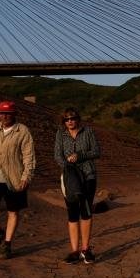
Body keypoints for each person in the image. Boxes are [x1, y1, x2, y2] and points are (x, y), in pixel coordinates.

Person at [0, 100, 36, 260]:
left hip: (14, 178)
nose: (5, 116)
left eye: (8, 113)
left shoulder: (22, 131)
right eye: (2, 113)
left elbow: (29, 156)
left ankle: (7, 245)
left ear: (14, 114)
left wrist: (26, 176)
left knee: (13, 212)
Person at [54, 107, 101, 264]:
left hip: (88, 175)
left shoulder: (88, 131)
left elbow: (96, 151)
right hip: (69, 178)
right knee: (72, 213)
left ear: (78, 119)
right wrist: (67, 165)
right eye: (66, 119)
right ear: (63, 121)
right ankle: (74, 251)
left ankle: (85, 250)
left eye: (72, 118)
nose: (70, 121)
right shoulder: (61, 134)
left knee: (86, 211)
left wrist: (79, 156)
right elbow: (57, 155)